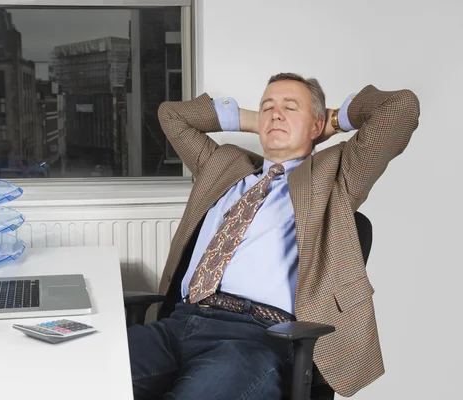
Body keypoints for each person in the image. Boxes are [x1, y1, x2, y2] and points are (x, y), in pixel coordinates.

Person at [127, 72, 420, 399]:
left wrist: (332, 121)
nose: (276, 113)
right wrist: (261, 121)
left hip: (255, 338)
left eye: (290, 107)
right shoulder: (223, 164)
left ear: (315, 127)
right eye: (267, 106)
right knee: (83, 367)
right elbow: (172, 115)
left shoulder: (335, 177)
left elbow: (401, 108)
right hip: (177, 325)